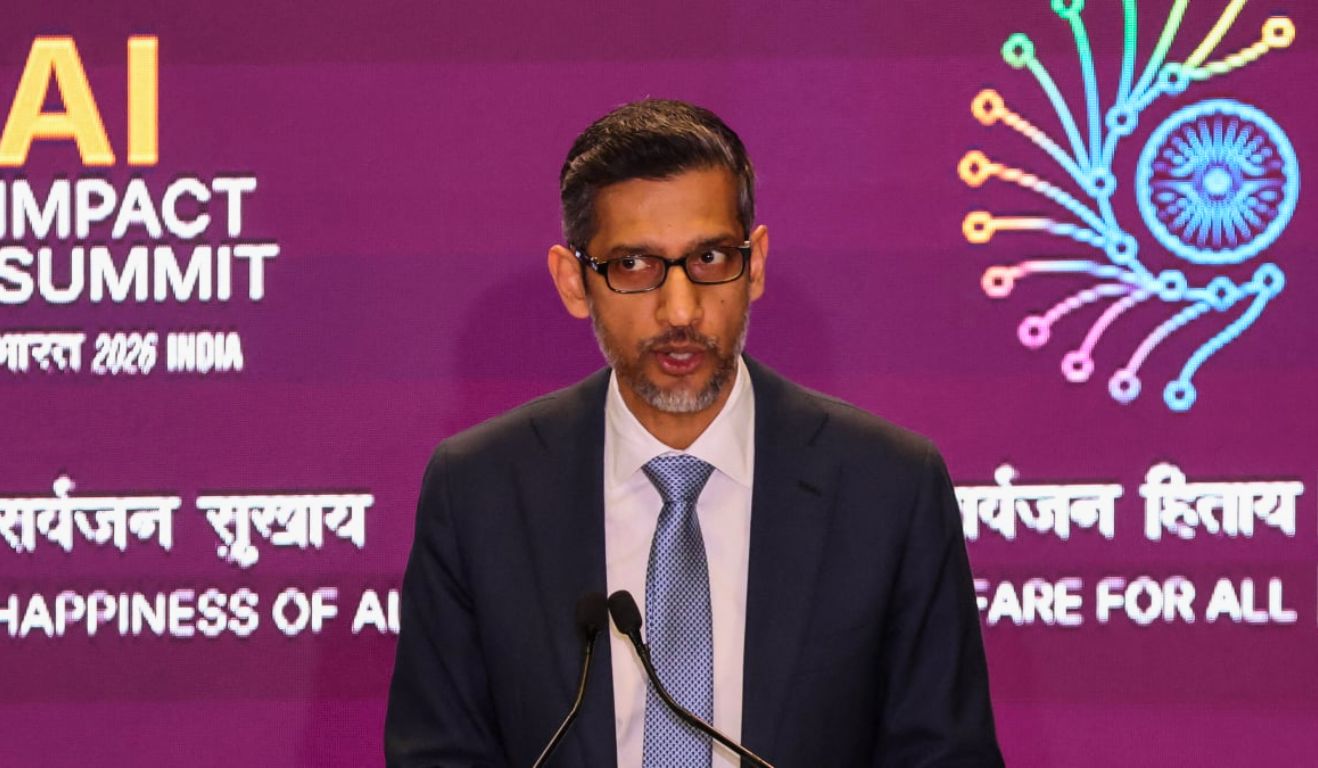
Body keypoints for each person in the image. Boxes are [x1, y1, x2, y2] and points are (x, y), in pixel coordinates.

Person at [385, 99, 1003, 768]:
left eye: (709, 258)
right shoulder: (480, 493)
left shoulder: (888, 489)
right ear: (574, 282)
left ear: (755, 264)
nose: (680, 310)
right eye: (634, 265)